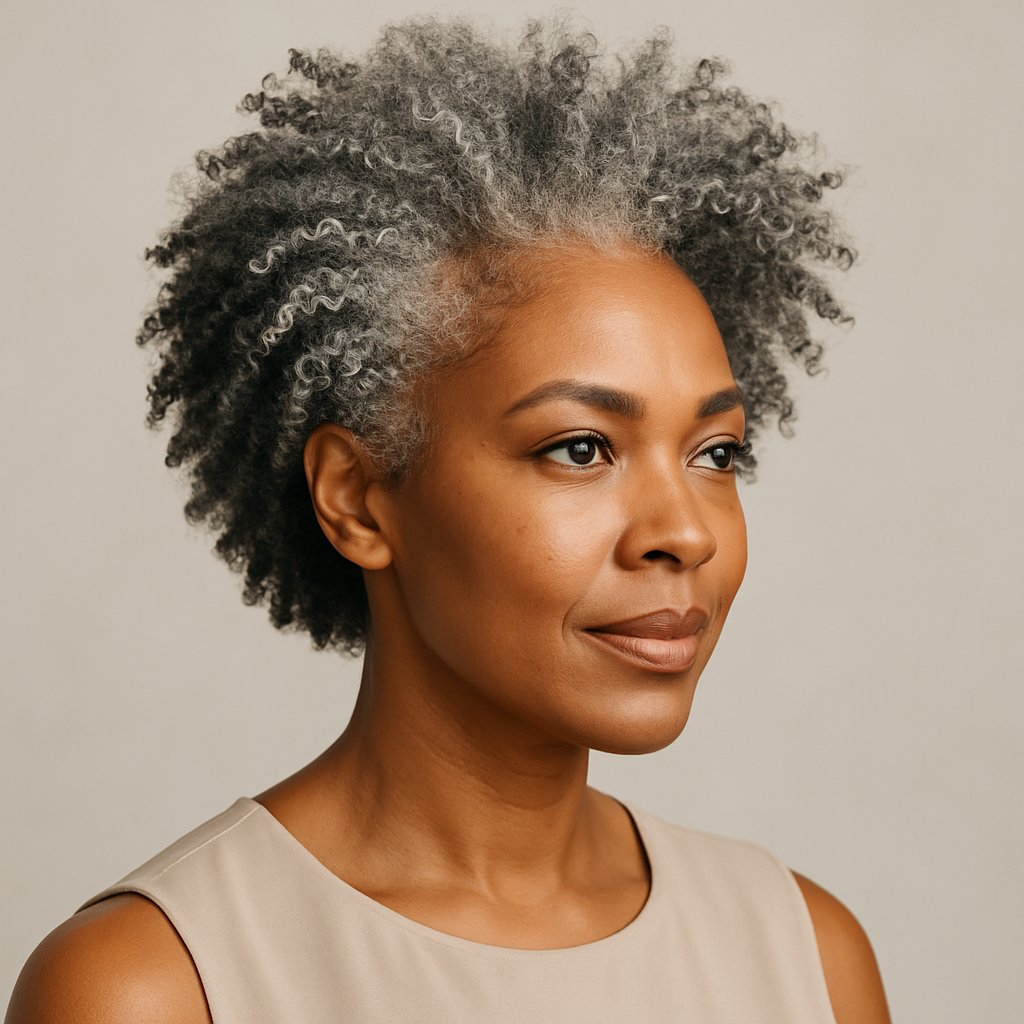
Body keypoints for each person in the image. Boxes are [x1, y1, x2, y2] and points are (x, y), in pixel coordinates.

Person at [6, 14, 890, 1023]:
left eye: (715, 453)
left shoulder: (806, 959)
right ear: (357, 495)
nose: (682, 532)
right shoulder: (154, 984)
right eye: (580, 448)